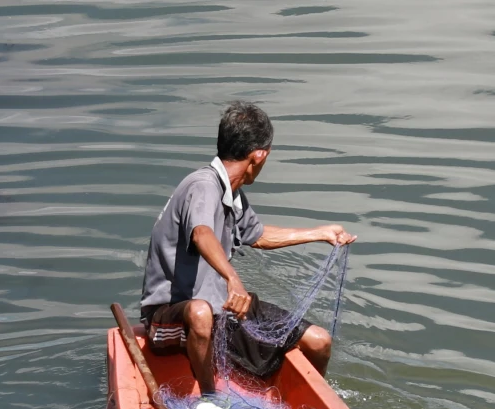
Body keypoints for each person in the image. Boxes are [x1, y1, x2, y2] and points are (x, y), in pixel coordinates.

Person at [140, 101, 356, 394]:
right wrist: (233, 279)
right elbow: (201, 234)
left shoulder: (234, 195)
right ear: (259, 155)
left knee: (318, 341)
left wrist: (320, 233)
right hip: (172, 318)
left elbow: (259, 235)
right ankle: (211, 399)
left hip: (221, 312)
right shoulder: (203, 185)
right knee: (201, 313)